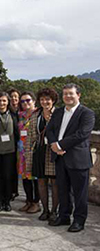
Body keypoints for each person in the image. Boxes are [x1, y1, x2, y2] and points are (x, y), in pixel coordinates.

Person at [48, 83, 95, 233]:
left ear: (78, 95)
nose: (67, 96)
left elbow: (82, 134)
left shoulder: (86, 113)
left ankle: (79, 220)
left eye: (71, 93)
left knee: (80, 193)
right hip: (59, 158)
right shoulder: (58, 112)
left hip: (77, 158)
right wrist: (54, 145)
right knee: (62, 190)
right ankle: (64, 216)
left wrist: (60, 146)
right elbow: (50, 130)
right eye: (65, 94)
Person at [28, 88, 59, 221]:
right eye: (42, 99)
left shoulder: (59, 114)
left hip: (54, 151)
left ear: (53, 100)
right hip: (40, 151)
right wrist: (29, 153)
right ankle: (45, 210)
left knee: (55, 182)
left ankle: (54, 211)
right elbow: (30, 135)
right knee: (41, 181)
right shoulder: (36, 115)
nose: (45, 102)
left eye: (47, 99)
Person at [0, 92, 19, 212]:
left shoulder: (14, 115)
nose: (2, 103)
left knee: (8, 177)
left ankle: (7, 201)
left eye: (4, 101)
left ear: (8, 102)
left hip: (10, 151)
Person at [17, 91, 41, 214]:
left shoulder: (39, 114)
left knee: (35, 178)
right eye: (22, 101)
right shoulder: (20, 115)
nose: (25, 103)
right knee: (25, 178)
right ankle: (29, 201)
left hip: (34, 150)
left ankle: (36, 203)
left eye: (28, 100)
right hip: (22, 152)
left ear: (34, 101)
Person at [7, 88, 21, 201]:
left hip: (22, 144)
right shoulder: (7, 112)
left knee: (19, 169)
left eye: (16, 96)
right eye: (11, 97)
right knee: (11, 168)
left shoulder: (22, 112)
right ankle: (11, 191)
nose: (14, 99)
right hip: (10, 143)